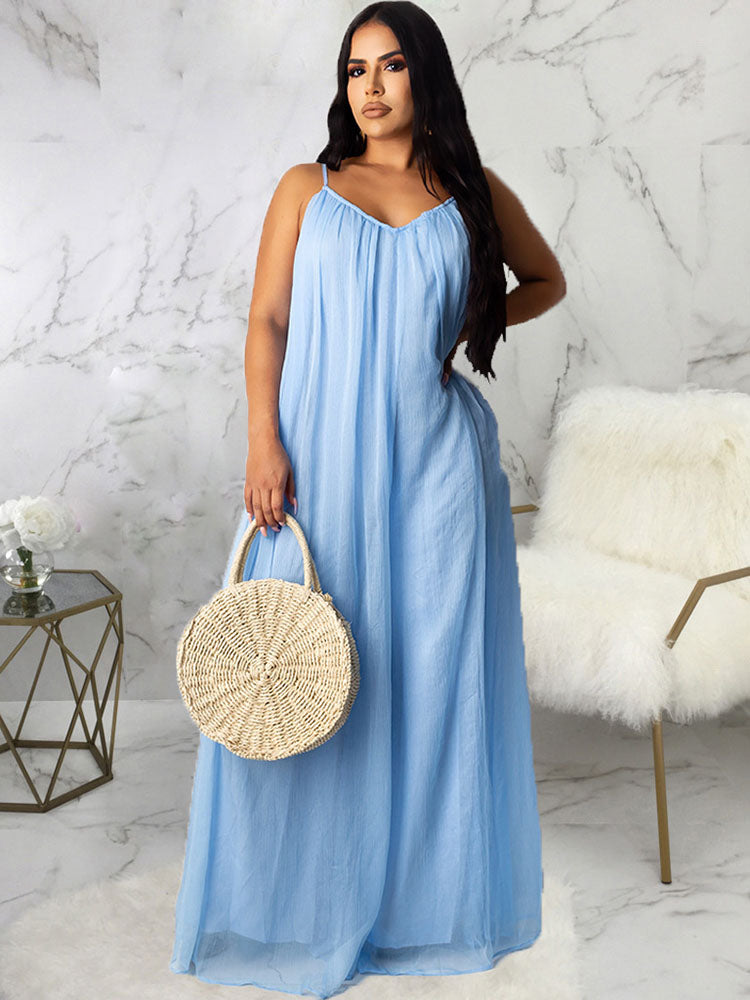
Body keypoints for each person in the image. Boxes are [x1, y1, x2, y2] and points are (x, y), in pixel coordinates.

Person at [170, 2, 566, 996]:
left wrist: (472, 319)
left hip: (438, 469)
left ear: (425, 76)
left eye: (391, 66)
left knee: (426, 683)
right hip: (314, 461)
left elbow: (545, 280)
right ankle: (296, 903)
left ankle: (414, 909)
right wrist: (263, 441)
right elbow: (267, 320)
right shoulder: (307, 187)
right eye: (356, 69)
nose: (372, 87)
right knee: (296, 667)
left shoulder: (470, 191)